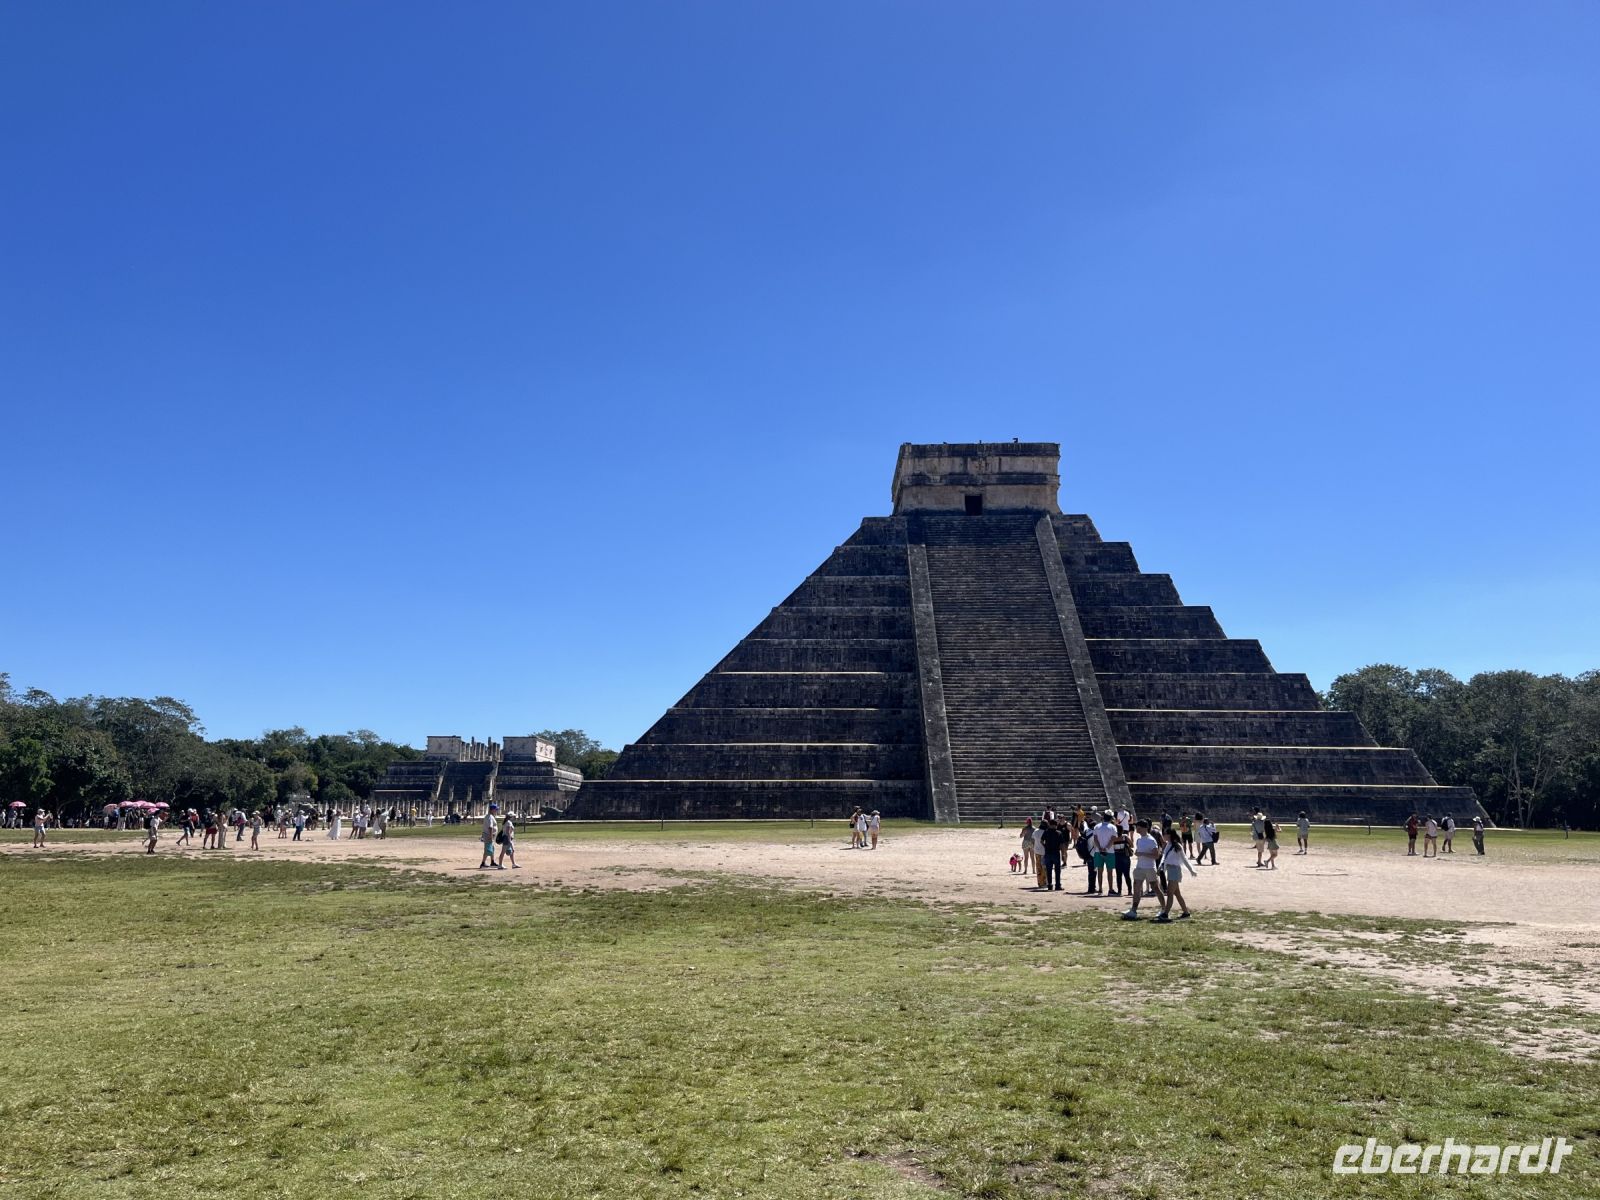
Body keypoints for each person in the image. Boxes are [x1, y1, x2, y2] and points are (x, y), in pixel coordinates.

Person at [1121, 820, 1162, 920]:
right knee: (1137, 888)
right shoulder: (1139, 840)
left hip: (1149, 868)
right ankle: (1133, 910)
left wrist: (1142, 854)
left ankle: (1164, 909)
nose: (1136, 829)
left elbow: (1156, 855)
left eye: (1138, 827)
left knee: (1155, 888)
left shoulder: (1151, 840)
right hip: (1140, 867)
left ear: (1144, 828)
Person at [1156, 828, 1193, 922]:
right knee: (1177, 893)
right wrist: (1160, 867)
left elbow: (1184, 859)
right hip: (1170, 870)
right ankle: (1186, 912)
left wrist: (1191, 870)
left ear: (1169, 835)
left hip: (1175, 871)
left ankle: (1165, 914)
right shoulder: (1168, 845)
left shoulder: (1177, 846)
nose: (1163, 836)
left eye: (1164, 834)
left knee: (1169, 893)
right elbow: (1164, 857)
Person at [1090, 811, 1119, 896]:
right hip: (1109, 851)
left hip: (1098, 852)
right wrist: (1106, 848)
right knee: (1110, 872)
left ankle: (1100, 889)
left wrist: (1100, 848)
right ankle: (1110, 889)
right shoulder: (1113, 827)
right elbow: (1113, 839)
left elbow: (1095, 839)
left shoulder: (1097, 826)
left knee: (1099, 871)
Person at [1040, 818, 1065, 891]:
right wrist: (1063, 854)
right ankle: (1057, 885)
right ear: (1055, 825)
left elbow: (1041, 841)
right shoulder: (1059, 833)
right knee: (1057, 870)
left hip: (1048, 853)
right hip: (1056, 853)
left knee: (1049, 870)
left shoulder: (1046, 832)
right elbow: (1062, 845)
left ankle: (1050, 885)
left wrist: (1045, 846)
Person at [480, 804, 503, 868]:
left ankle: (492, 862)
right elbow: (490, 827)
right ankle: (483, 863)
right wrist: (490, 836)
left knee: (492, 848)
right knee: (488, 849)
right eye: (496, 809)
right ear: (492, 810)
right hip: (488, 835)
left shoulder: (490, 816)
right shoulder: (490, 817)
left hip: (490, 835)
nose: (496, 811)